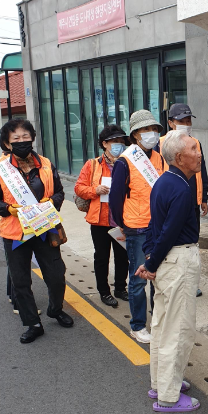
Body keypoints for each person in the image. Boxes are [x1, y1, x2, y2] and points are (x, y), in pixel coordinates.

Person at [0, 118, 74, 344]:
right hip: (16, 234)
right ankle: (32, 323)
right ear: (7, 144)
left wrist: (50, 203)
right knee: (21, 281)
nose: (22, 141)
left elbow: (60, 192)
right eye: (16, 139)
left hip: (44, 229)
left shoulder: (45, 163)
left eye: (26, 137)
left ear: (33, 138)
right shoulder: (1, 169)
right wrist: (9, 209)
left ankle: (55, 309)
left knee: (56, 276)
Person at [136, 132, 202, 413]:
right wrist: (150, 263)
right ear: (179, 158)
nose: (199, 153)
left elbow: (154, 227)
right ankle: (169, 396)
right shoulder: (182, 188)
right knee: (178, 330)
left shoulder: (164, 182)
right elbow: (169, 232)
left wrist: (150, 258)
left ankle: (160, 382)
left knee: (162, 326)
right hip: (179, 260)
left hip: (165, 261)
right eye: (193, 149)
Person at [109, 110, 166, 343]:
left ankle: (157, 321)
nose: (151, 134)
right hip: (136, 227)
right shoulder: (125, 161)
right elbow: (116, 197)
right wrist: (123, 224)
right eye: (145, 130)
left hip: (158, 226)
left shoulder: (159, 157)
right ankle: (137, 325)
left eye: (154, 129)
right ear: (134, 135)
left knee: (158, 277)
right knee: (139, 278)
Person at [74, 124, 130, 308]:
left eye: (121, 141)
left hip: (122, 219)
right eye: (114, 141)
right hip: (100, 220)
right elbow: (79, 188)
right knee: (101, 257)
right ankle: (104, 291)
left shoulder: (128, 163)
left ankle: (121, 288)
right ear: (104, 144)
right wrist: (94, 190)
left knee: (123, 256)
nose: (119, 145)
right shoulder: (92, 165)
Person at [161, 102, 208, 297]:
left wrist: (204, 197)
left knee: (191, 240)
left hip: (192, 200)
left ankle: (191, 280)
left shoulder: (195, 143)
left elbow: (202, 171)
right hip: (170, 200)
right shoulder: (161, 143)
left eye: (188, 120)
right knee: (170, 237)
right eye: (181, 121)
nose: (186, 124)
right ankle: (171, 276)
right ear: (171, 123)